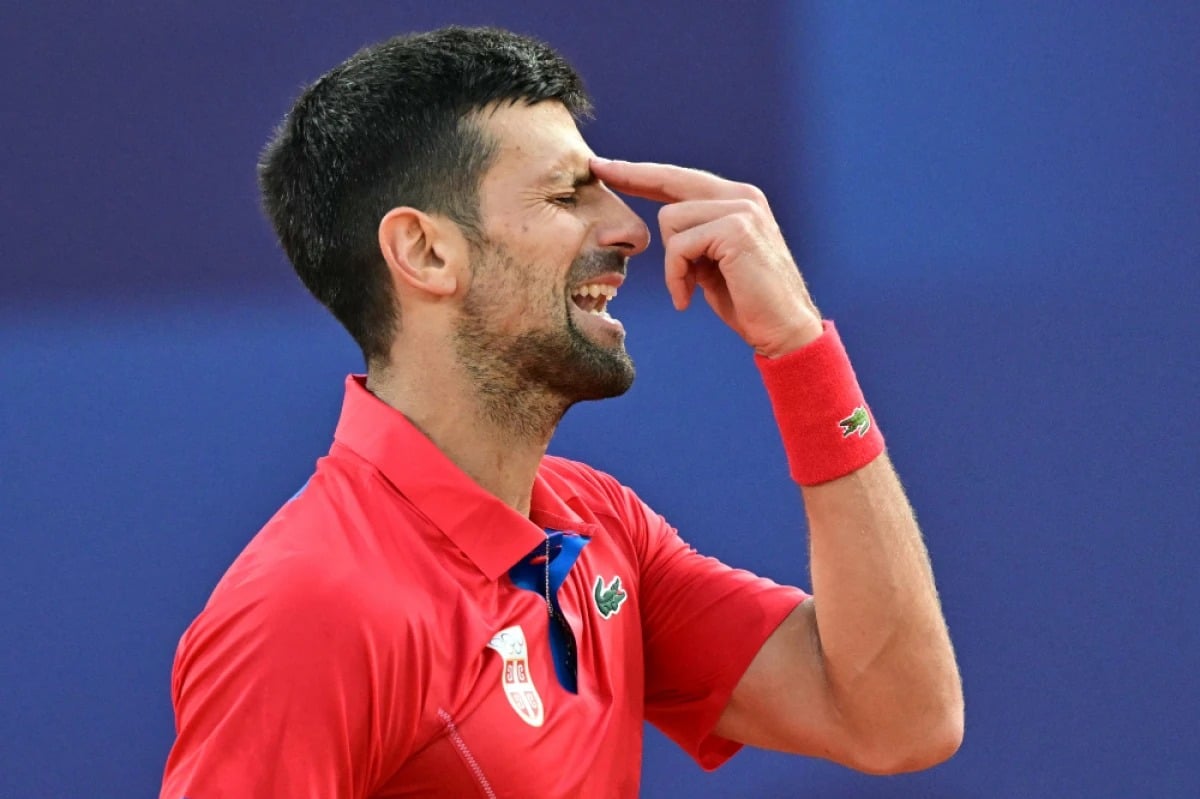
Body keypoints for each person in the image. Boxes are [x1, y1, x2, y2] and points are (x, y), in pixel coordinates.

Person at [160, 26, 963, 799]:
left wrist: (799, 348)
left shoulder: (599, 527)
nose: (630, 229)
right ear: (426, 252)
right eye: (566, 193)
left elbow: (897, 719)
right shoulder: (309, 609)